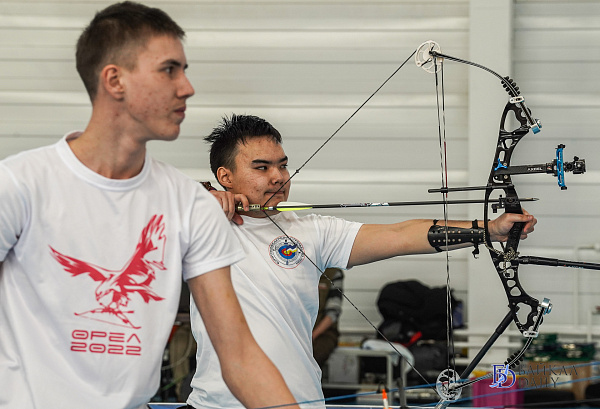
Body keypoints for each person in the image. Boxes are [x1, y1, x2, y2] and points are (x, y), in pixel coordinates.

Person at [0, 4, 299, 409]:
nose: (187, 87)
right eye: (169, 70)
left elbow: (241, 357)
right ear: (115, 80)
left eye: (184, 70)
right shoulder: (18, 185)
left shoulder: (190, 204)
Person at [187, 114, 537, 409]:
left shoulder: (312, 231)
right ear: (225, 176)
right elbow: (154, 201)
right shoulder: (197, 223)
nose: (278, 177)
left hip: (299, 401)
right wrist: (199, 196)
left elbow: (401, 234)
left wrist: (489, 229)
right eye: (261, 167)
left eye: (282, 165)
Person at [312, 268, 344, 369]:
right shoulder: (294, 270)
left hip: (323, 332)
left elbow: (333, 312)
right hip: (298, 330)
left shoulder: (333, 273)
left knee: (314, 355)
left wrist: (312, 336)